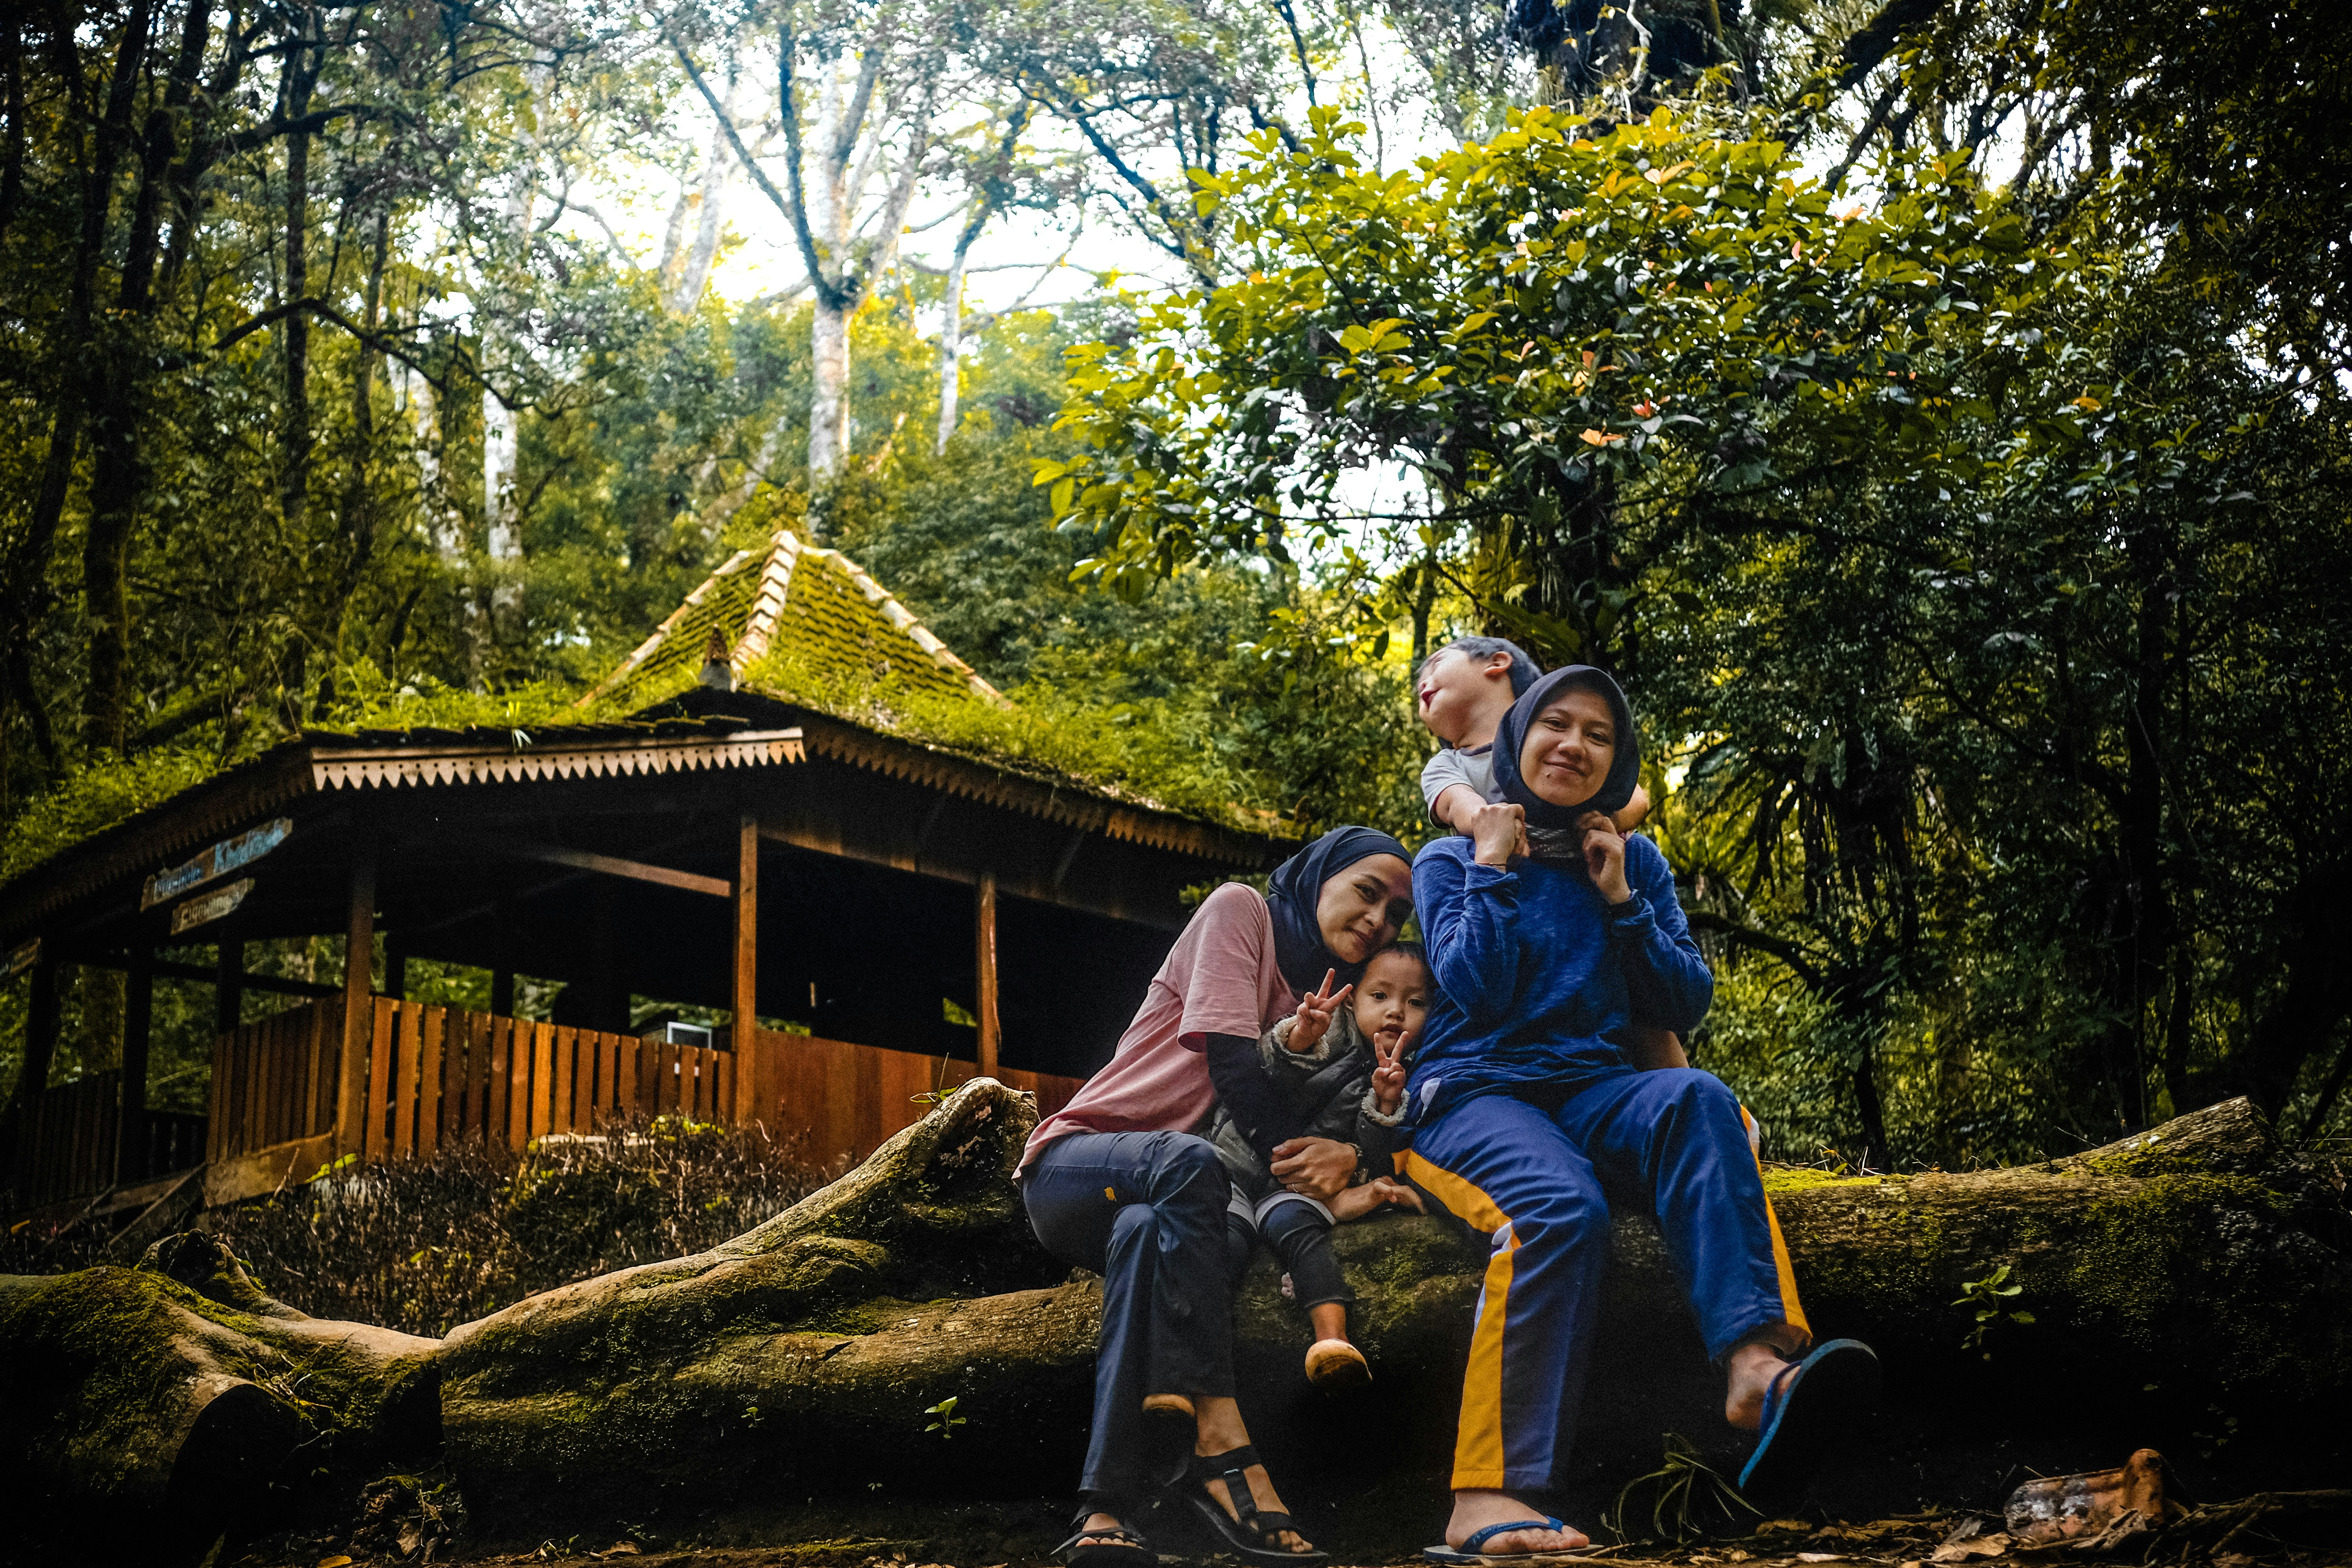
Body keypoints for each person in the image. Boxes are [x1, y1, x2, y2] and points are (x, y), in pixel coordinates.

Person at [1403, 666, 1878, 1565]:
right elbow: (1479, 989)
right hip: (1471, 1097)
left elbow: (1682, 998)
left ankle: (1755, 1371)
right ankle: (1482, 1496)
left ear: (1615, 762)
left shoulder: (1636, 860)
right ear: (1515, 740)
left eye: (1598, 734)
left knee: (1700, 1098)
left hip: (1590, 1093)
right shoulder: (1448, 858)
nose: (1573, 744)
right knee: (1558, 1208)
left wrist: (1621, 897)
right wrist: (1495, 864)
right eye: (1556, 724)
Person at [1019, 826, 1416, 1568]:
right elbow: (1235, 1069)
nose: (1378, 920)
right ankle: (1222, 1443)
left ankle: (1106, 1511)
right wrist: (1308, 1160)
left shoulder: (1326, 1004)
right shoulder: (1242, 913)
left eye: (1396, 914)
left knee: (1145, 1230)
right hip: (1078, 1164)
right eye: (1368, 892)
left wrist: (1352, 1153)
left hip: (1176, 1199)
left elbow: (1324, 1121)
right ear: (1318, 877)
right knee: (1191, 1163)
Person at [1198, 942, 1433, 1390]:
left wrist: (1383, 1104)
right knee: (1223, 1240)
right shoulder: (1330, 1028)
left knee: (1301, 1232)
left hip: (1298, 1189)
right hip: (1236, 1165)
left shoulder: (1405, 1071)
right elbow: (1258, 1076)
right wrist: (1299, 1039)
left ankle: (1332, 1341)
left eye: (1416, 1002)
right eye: (1379, 996)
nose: (1396, 1012)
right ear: (1352, 997)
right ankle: (1202, 1357)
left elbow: (1368, 1150)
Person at [1416, 636, 1651, 846]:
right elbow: (1460, 806)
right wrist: (1501, 830)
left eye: (1438, 663)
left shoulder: (1556, 742)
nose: (1423, 684)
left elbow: (1636, 799)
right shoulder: (1446, 766)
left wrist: (1606, 822)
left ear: (1497, 663)